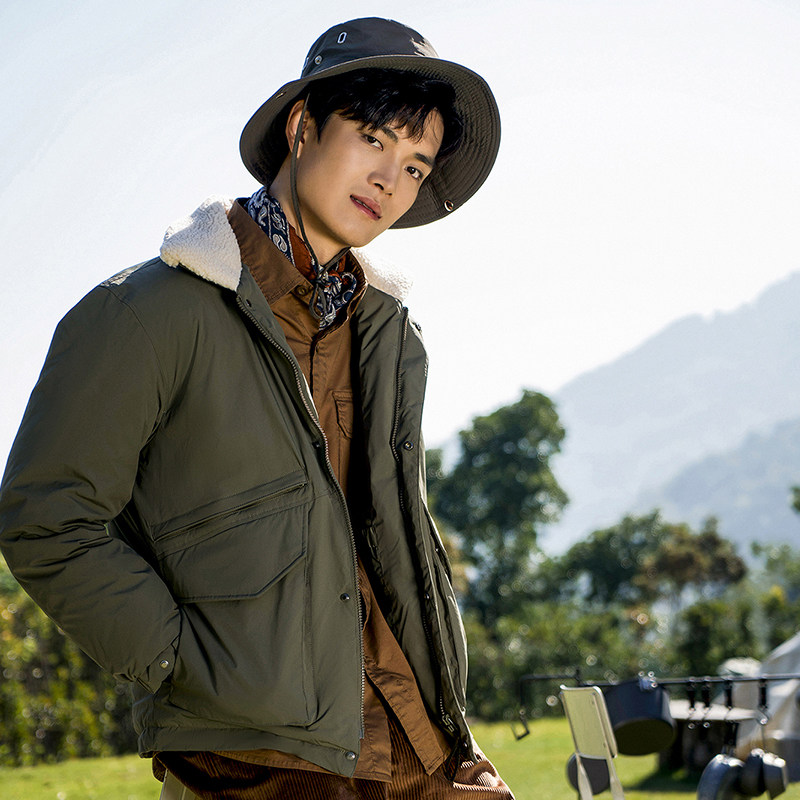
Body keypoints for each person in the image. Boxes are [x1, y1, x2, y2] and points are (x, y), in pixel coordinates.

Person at [0, 17, 509, 799]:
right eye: (373, 139)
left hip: (415, 754)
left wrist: (453, 740)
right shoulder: (149, 310)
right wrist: (185, 665)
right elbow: (45, 516)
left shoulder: (390, 336)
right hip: (253, 763)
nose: (390, 180)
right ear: (302, 127)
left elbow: (393, 548)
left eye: (415, 165)